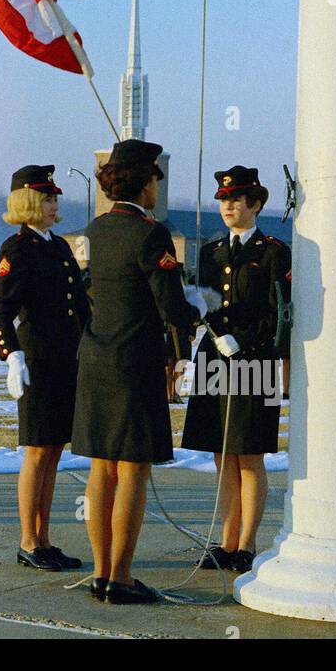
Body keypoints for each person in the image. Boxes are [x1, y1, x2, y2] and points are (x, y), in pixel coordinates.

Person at [71, 140, 206, 604]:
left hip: (95, 358)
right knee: (132, 470)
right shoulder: (152, 234)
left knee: (100, 468)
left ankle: (100, 573)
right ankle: (122, 578)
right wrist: (192, 315)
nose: (156, 189)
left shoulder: (95, 228)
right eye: (154, 181)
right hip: (135, 361)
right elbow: (170, 305)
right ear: (142, 181)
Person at [181, 166, 292, 575]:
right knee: (221, 454)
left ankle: (247, 544)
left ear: (256, 203)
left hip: (255, 362)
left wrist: (243, 340)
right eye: (223, 200)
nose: (227, 206)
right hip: (213, 360)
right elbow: (208, 305)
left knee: (249, 455)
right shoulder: (211, 252)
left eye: (235, 199)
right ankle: (226, 543)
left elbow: (281, 313)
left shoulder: (274, 252)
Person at [0, 164, 91, 572]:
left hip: (67, 358)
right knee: (36, 451)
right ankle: (28, 541)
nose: (54, 205)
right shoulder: (18, 249)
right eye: (47, 198)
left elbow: (79, 306)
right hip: (37, 360)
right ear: (29, 202)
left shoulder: (59, 247)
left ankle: (45, 539)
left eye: (54, 198)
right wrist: (11, 356)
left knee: (53, 450)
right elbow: (1, 313)